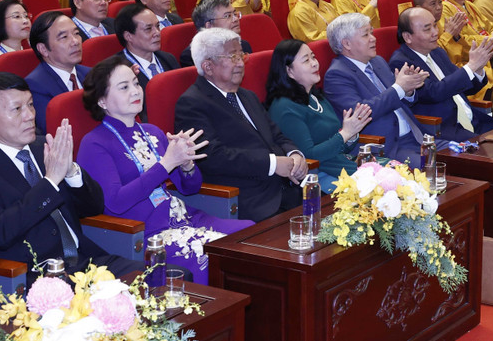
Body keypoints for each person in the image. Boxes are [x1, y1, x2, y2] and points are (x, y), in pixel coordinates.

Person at [0, 73, 143, 282]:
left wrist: (71, 173)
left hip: (88, 261)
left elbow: (93, 208)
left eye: (31, 105)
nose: (29, 115)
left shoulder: (45, 146)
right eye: (17, 109)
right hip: (39, 276)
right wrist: (50, 182)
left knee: (159, 277)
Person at [77, 56, 252, 284]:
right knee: (211, 256)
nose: (135, 91)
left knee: (249, 234)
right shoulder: (94, 144)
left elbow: (190, 188)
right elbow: (116, 202)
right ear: (102, 101)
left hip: (184, 218)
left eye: (136, 83)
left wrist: (187, 165)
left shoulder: (152, 131)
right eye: (124, 87)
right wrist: (167, 164)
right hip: (145, 234)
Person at [175, 28, 306, 222]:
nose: (240, 62)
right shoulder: (192, 103)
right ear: (208, 67)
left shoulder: (247, 96)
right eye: (232, 56)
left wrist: (294, 154)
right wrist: (272, 164)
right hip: (249, 200)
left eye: (241, 55)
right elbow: (213, 157)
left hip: (289, 187)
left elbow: (276, 135)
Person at [323, 13, 445, 165]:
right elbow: (362, 113)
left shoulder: (377, 62)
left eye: (372, 33)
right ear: (347, 44)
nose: (373, 38)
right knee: (441, 166)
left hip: (417, 136)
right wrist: (399, 88)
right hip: (387, 147)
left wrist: (408, 91)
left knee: (462, 153)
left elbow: (396, 98)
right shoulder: (337, 75)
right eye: (366, 35)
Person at [266, 40, 372, 192]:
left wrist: (352, 133)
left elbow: (338, 147)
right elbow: (308, 156)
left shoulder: (316, 97)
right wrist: (345, 133)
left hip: (342, 166)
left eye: (313, 57)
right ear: (289, 71)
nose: (315, 64)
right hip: (318, 177)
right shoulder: (284, 107)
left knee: (395, 174)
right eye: (306, 60)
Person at [390, 7, 493, 140]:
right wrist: (471, 66)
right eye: (427, 29)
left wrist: (478, 69)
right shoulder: (402, 63)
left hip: (475, 121)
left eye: (435, 25)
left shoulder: (438, 52)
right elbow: (434, 92)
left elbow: (466, 87)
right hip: (444, 129)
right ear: (407, 37)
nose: (436, 32)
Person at [25, 11, 90, 133]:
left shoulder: (91, 74)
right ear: (43, 49)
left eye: (76, 33)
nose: (75, 41)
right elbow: (55, 130)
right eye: (64, 37)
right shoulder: (35, 85)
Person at [113, 4, 179, 95]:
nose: (157, 33)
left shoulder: (168, 59)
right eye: (148, 29)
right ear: (128, 36)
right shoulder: (117, 70)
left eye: (157, 26)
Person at [179, 0, 252, 68]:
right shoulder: (192, 56)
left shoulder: (243, 45)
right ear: (209, 26)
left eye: (235, 14)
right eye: (227, 16)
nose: (236, 19)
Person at [0, 0, 30, 66]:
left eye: (26, 16)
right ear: (0, 23)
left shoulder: (33, 55)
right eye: (17, 16)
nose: (25, 21)